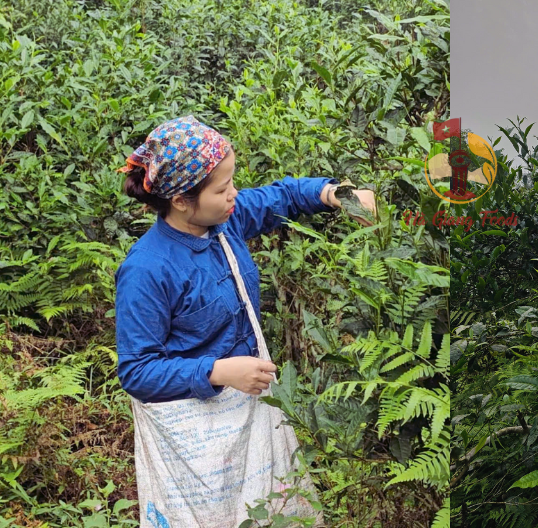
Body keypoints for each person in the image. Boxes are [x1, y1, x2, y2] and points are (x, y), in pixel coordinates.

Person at [114, 115, 377, 524]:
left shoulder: (225, 221)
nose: (235, 194)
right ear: (181, 200)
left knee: (268, 508)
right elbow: (137, 370)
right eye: (222, 188)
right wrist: (218, 371)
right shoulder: (148, 270)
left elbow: (283, 196)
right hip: (192, 435)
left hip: (249, 410)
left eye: (232, 181)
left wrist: (335, 193)